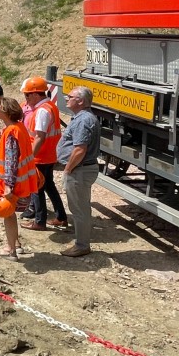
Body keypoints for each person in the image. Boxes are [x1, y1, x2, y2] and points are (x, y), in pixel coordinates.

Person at [0, 97, 41, 261]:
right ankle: (17, 244)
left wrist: (8, 185)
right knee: (11, 213)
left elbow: (11, 161)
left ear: (7, 112)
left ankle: (11, 250)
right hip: (21, 181)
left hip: (10, 184)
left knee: (8, 214)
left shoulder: (11, 133)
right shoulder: (18, 128)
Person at [19, 77, 69, 231]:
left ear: (36, 94)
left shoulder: (41, 111)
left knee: (37, 188)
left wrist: (29, 158)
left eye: (27, 95)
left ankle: (40, 222)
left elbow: (39, 137)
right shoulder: (50, 106)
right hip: (49, 155)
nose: (26, 98)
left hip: (40, 157)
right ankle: (61, 217)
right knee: (49, 186)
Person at [57, 86, 101, 257]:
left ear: (81, 101)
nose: (67, 99)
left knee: (79, 209)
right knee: (80, 207)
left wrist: (68, 169)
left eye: (70, 97)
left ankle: (82, 245)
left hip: (79, 170)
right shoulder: (82, 117)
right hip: (81, 169)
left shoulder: (83, 120)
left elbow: (79, 149)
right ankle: (81, 241)